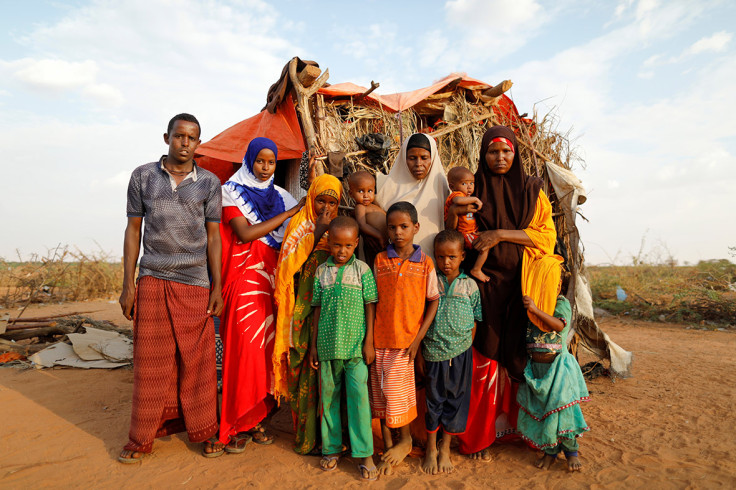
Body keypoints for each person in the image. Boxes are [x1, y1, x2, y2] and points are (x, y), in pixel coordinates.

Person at [118, 113, 224, 463]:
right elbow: (134, 231)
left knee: (198, 360)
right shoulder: (143, 177)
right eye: (179, 136)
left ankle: (206, 430)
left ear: (198, 143)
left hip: (195, 280)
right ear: (167, 138)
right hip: (152, 276)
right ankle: (141, 438)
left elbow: (213, 238)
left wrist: (217, 285)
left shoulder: (209, 183)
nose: (185, 143)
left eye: (192, 138)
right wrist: (128, 284)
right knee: (151, 361)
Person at [447, 125, 558, 461]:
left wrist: (498, 233)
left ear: (515, 153)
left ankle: (520, 431)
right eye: (493, 151)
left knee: (518, 359)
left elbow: (545, 237)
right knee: (484, 355)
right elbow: (454, 231)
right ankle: (480, 436)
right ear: (483, 154)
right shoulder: (472, 188)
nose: (500, 157)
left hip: (522, 287)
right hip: (482, 286)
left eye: (506, 151)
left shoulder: (532, 189)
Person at [217, 137, 304, 453]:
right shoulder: (231, 191)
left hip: (272, 282)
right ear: (250, 160)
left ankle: (256, 420)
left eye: (271, 162)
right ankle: (235, 422)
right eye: (260, 161)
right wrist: (292, 211)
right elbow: (245, 233)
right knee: (245, 349)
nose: (266, 168)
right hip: (243, 282)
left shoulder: (280, 196)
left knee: (267, 352)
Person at [272, 174, 342, 455]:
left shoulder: (341, 231)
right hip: (302, 310)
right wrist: (319, 231)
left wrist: (328, 230)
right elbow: (288, 269)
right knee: (304, 371)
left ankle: (331, 439)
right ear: (311, 200)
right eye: (320, 201)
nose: (325, 208)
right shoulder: (300, 226)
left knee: (330, 376)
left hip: (330, 312)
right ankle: (306, 439)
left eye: (332, 203)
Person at [370, 201, 440, 476]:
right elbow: (372, 301)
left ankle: (406, 440)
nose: (398, 232)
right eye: (392, 227)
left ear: (415, 228)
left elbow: (433, 301)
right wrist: (369, 340)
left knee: (398, 395)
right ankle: (389, 444)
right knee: (381, 396)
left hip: (405, 343)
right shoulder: (379, 260)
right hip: (379, 340)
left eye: (404, 227)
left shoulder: (425, 262)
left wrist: (417, 340)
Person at [308, 216, 378, 481]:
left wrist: (369, 341)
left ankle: (364, 453)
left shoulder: (362, 270)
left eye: (348, 245)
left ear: (356, 243)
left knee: (359, 402)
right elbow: (316, 310)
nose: (341, 251)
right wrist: (314, 346)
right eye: (337, 245)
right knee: (328, 401)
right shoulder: (321, 272)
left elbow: (370, 306)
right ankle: (332, 449)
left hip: (355, 350)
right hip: (326, 349)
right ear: (328, 242)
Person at [420, 230, 482, 475]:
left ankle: (445, 448)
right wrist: (420, 353)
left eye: (452, 257)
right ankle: (430, 449)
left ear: (463, 256)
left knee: (455, 400)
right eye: (441, 257)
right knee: (433, 400)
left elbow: (476, 320)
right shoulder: (431, 280)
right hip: (433, 351)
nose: (446, 262)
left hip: (461, 353)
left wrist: (465, 348)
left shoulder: (470, 285)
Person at [517, 264, 590, 472]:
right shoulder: (531, 305)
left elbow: (557, 326)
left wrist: (534, 309)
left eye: (555, 283)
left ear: (559, 285)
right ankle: (550, 452)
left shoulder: (561, 303)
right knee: (546, 412)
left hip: (558, 368)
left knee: (562, 412)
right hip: (537, 369)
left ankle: (571, 452)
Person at [375, 133, 449, 258]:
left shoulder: (444, 188)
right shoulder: (384, 186)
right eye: (412, 158)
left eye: (424, 158)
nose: (418, 163)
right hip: (395, 265)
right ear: (404, 158)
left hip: (432, 267)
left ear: (433, 158)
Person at [444, 166, 488, 282]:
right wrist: (475, 200)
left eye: (471, 183)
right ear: (452, 187)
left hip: (471, 232)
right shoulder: (456, 195)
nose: (469, 187)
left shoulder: (466, 196)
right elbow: (458, 201)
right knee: (485, 247)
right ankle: (477, 269)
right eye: (464, 183)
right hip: (464, 234)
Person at [347, 170, 386, 267]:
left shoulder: (375, 204)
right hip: (377, 241)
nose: (366, 195)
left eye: (370, 191)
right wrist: (379, 236)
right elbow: (362, 224)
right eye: (360, 191)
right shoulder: (360, 207)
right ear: (351, 194)